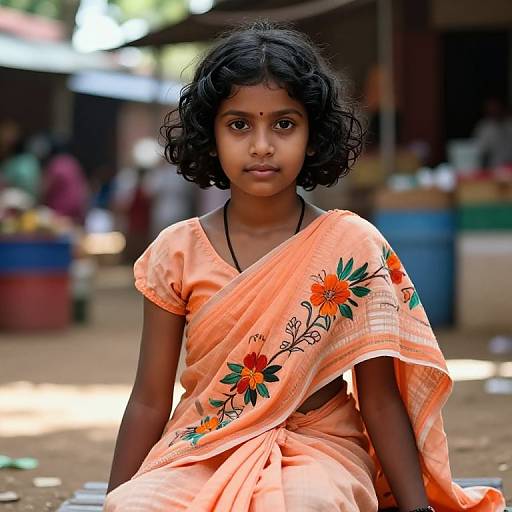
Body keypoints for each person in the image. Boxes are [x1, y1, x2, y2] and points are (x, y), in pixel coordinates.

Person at [105, 22, 505, 512]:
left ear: (314, 136)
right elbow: (149, 400)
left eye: (284, 124)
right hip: (205, 444)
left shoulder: (351, 245)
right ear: (209, 135)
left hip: (318, 449)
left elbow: (378, 398)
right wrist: (117, 498)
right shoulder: (177, 250)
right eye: (238, 125)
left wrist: (417, 507)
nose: (261, 145)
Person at [473, 97, 512, 169]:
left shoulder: (509, 124)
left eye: (496, 107)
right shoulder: (484, 127)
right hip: (493, 168)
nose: (494, 110)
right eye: (491, 108)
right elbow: (479, 151)